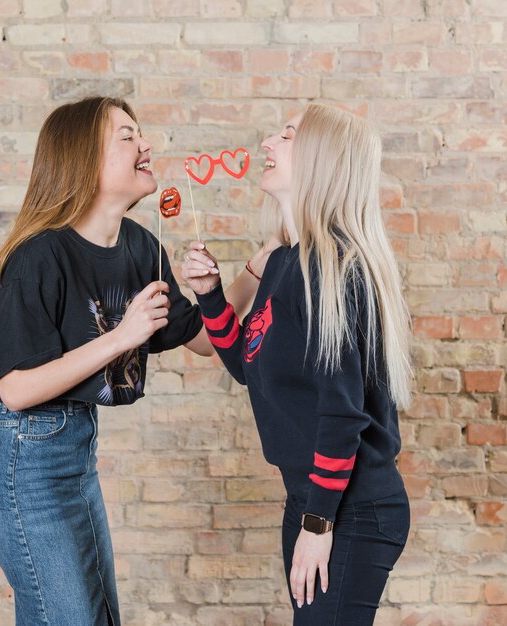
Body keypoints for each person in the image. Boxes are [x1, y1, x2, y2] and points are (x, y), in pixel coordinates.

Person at [0, 96, 273, 626]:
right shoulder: (39, 256)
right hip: (25, 464)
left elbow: (203, 339)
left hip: (73, 455)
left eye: (142, 134)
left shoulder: (138, 246)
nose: (146, 144)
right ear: (83, 159)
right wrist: (123, 335)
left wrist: (256, 264)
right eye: (128, 136)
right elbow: (16, 390)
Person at [183, 103, 412, 625]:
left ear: (320, 161)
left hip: (349, 509)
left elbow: (342, 414)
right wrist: (212, 297)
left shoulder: (335, 270)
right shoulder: (286, 261)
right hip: (311, 500)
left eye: (286, 136)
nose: (268, 142)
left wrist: (317, 524)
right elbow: (249, 364)